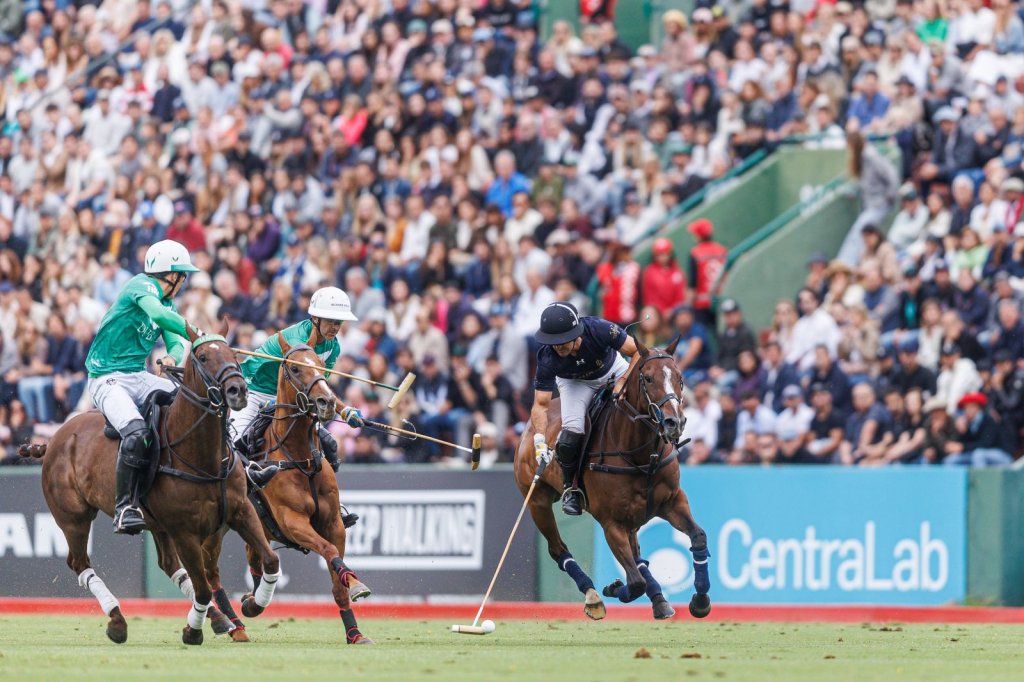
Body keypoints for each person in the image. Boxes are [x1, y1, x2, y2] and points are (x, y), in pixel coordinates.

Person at [84, 240, 202, 534]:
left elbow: (175, 338)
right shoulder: (141, 286)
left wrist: (173, 355)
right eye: (182, 274)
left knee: (192, 403)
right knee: (137, 434)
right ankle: (124, 507)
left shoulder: (167, 302)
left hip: (137, 374)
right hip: (106, 377)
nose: (184, 280)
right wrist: (197, 331)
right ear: (169, 274)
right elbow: (162, 318)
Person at [233, 286, 366, 481]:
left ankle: (331, 499)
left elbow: (319, 387)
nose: (336, 327)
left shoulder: (333, 346)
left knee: (328, 445)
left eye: (339, 322)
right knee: (236, 441)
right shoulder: (297, 341)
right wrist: (343, 408)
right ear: (315, 319)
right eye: (331, 321)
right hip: (256, 391)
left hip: (289, 398)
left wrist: (345, 411)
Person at [529, 301, 641, 515]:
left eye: (562, 342)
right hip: (574, 383)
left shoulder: (599, 329)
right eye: (553, 342)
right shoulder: (547, 357)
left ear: (575, 333)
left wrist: (624, 379)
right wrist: (539, 441)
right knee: (571, 432)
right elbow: (541, 404)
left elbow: (637, 351)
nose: (558, 347)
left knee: (643, 400)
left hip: (613, 369)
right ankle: (571, 488)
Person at [686, 218, 728, 329]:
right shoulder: (722, 250)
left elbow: (692, 285)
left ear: (699, 236)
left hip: (701, 304)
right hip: (720, 299)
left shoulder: (695, 253)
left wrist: (688, 307)